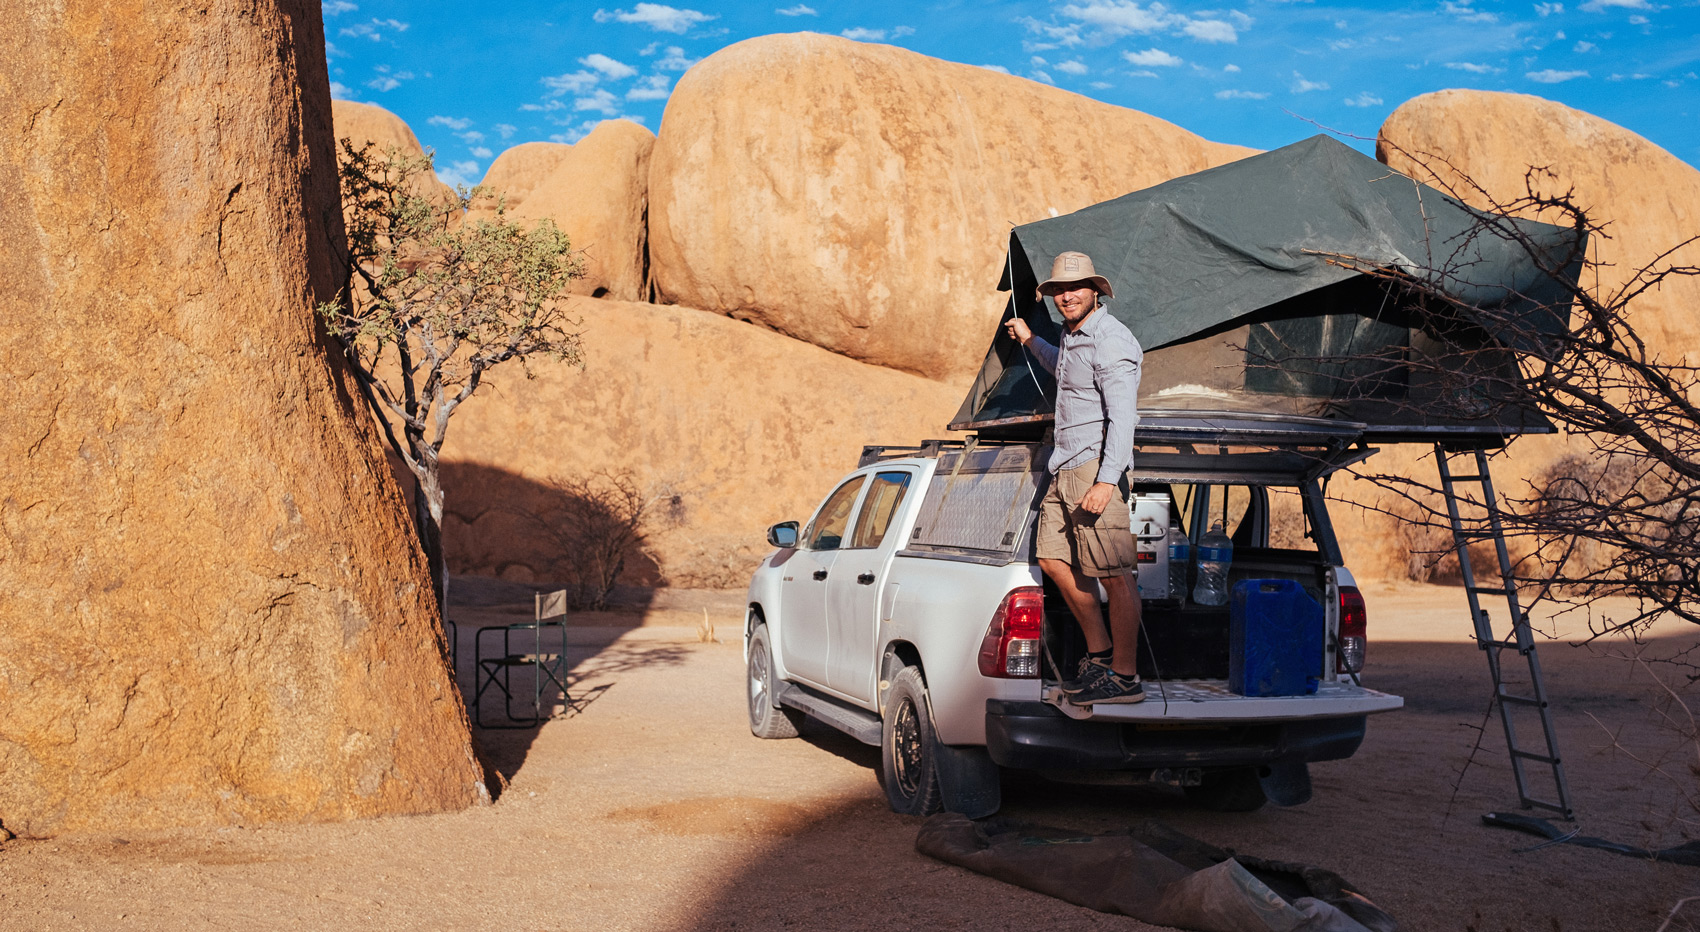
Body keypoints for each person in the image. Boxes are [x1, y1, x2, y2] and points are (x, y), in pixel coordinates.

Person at [1004, 251, 1145, 705]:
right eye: (1059, 290)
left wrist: (1107, 481)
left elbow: (1124, 418)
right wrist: (1030, 340)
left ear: (1096, 291)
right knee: (1052, 560)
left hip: (1093, 468)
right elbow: (1061, 370)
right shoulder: (1071, 337)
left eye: (1076, 287)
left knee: (1115, 575)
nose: (1067, 295)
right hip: (1063, 465)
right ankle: (1100, 657)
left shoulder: (1111, 340)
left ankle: (1124, 678)